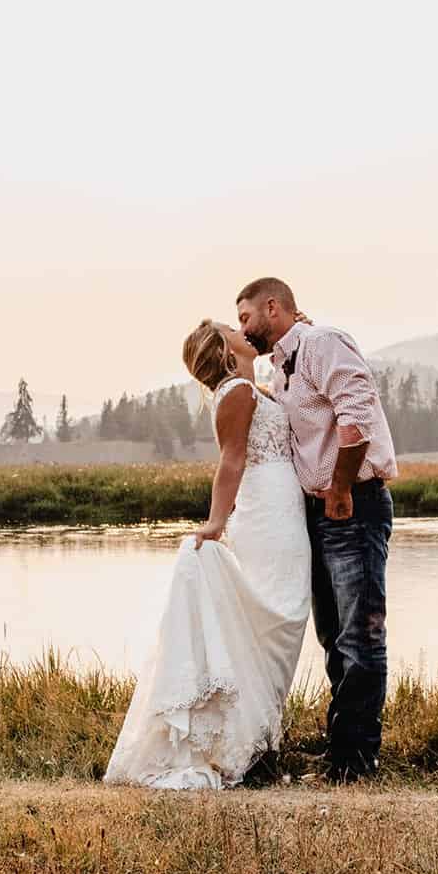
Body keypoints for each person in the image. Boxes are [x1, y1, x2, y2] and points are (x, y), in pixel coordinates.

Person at [102, 319, 311, 789]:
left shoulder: (250, 387)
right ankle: (251, 744)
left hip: (282, 503)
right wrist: (217, 523)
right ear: (222, 346)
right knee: (278, 613)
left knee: (285, 613)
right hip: (266, 510)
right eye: (229, 326)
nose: (242, 329)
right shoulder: (236, 392)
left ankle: (258, 740)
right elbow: (231, 460)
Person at [235, 277, 397, 781]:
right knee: (333, 635)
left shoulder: (323, 342)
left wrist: (343, 489)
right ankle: (342, 754)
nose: (244, 330)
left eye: (245, 319)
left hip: (354, 504)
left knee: (360, 636)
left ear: (272, 307)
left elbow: (358, 415)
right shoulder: (280, 369)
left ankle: (356, 762)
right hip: (319, 512)